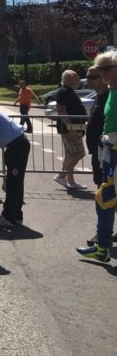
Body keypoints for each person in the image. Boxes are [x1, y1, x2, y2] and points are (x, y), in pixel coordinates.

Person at [76, 50, 117, 263]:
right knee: (105, 198)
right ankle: (102, 246)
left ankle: (102, 246)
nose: (103, 73)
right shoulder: (111, 91)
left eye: (106, 68)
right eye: (100, 69)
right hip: (109, 153)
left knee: (105, 197)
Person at [0, 108, 30, 227]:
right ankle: (16, 216)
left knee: (13, 183)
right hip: (15, 145)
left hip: (17, 145)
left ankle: (8, 217)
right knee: (15, 182)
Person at [52, 70, 87, 190]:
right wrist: (71, 128)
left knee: (70, 154)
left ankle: (69, 181)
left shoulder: (69, 91)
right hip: (69, 128)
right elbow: (61, 111)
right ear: (69, 79)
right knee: (78, 153)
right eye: (76, 76)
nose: (79, 79)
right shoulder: (63, 91)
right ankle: (62, 176)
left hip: (74, 127)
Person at [85, 66, 109, 187]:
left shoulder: (109, 98)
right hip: (97, 152)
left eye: (92, 77)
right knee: (100, 185)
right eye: (87, 76)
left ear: (103, 78)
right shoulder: (98, 97)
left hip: (106, 152)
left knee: (106, 189)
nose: (88, 79)